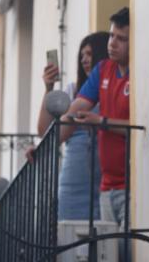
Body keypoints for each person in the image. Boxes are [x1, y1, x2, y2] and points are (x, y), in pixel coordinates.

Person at [58, 8, 131, 228]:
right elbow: (76, 108)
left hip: (131, 186)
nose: (113, 43)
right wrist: (48, 141)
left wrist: (101, 122)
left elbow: (143, 126)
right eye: (111, 36)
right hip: (107, 188)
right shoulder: (103, 69)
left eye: (121, 39)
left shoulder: (139, 71)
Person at [35, 32, 109, 220]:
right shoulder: (72, 91)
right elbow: (44, 131)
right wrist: (49, 89)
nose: (84, 59)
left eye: (90, 54)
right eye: (82, 55)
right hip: (74, 179)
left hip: (104, 178)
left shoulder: (111, 87)